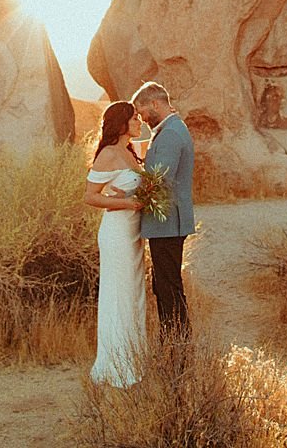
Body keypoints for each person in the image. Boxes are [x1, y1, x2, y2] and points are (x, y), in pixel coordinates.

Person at [82, 100, 149, 386]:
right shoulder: (109, 154)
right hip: (117, 233)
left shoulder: (130, 151)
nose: (139, 121)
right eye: (134, 117)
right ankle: (117, 365)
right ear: (121, 123)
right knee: (120, 295)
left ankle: (134, 359)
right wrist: (125, 203)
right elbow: (90, 196)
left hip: (134, 232)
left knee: (135, 294)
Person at [131, 80, 195, 340]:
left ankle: (176, 344)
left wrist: (127, 192)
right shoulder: (168, 129)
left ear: (155, 104)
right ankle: (173, 341)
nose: (141, 117)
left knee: (168, 287)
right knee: (164, 285)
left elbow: (160, 178)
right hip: (166, 222)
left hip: (168, 222)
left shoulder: (170, 133)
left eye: (142, 110)